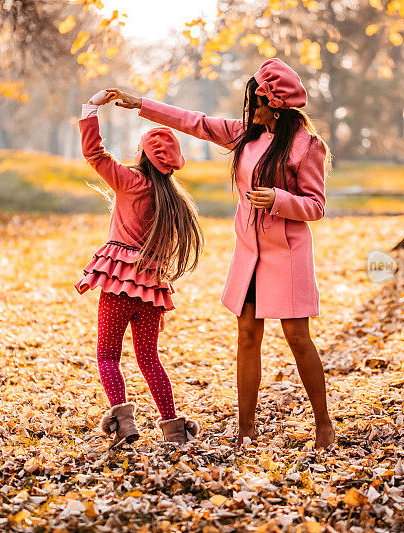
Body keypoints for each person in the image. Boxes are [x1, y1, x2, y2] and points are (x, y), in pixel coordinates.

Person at [107, 58, 335, 449]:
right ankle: (246, 430)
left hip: (288, 253)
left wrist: (278, 199)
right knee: (247, 336)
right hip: (249, 254)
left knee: (297, 337)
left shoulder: (307, 146)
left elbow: (315, 205)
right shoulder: (246, 135)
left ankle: (323, 424)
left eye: (257, 101)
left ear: (275, 103)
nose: (251, 109)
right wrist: (140, 104)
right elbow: (196, 122)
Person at [75, 89, 202, 444]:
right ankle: (173, 428)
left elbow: (94, 153)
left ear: (143, 154)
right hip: (151, 290)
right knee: (150, 359)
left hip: (118, 285)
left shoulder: (131, 183)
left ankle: (125, 424)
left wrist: (91, 107)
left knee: (107, 356)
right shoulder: (174, 199)